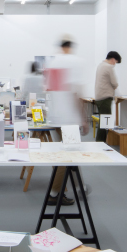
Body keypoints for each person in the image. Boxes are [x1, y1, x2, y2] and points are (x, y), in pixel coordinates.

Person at [45, 38, 88, 206]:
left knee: (69, 154)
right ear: (70, 47)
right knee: (67, 156)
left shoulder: (53, 62)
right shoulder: (75, 62)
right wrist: (83, 118)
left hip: (55, 117)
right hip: (69, 118)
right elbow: (76, 94)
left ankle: (80, 187)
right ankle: (54, 193)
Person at [93, 51, 121, 142]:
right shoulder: (109, 67)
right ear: (112, 59)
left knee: (103, 121)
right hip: (105, 97)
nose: (114, 64)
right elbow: (114, 83)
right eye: (115, 62)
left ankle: (100, 142)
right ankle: (100, 143)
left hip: (99, 97)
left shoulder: (100, 65)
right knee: (105, 122)